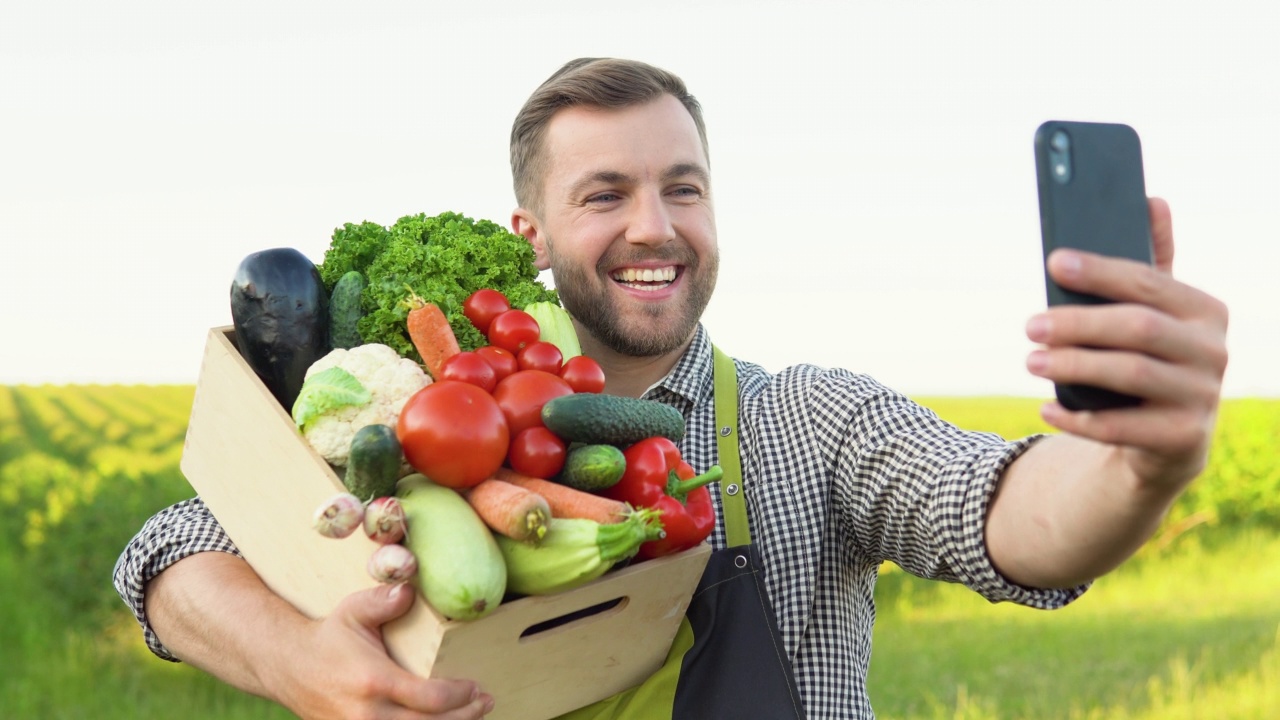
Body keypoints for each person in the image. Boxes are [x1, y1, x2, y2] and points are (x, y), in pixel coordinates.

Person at [114, 57, 1228, 720]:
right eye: (604, 193)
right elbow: (167, 552)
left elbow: (1008, 518)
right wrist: (296, 657)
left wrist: (1134, 461)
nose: (653, 226)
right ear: (532, 235)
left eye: (680, 187)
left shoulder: (809, 422)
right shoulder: (430, 425)